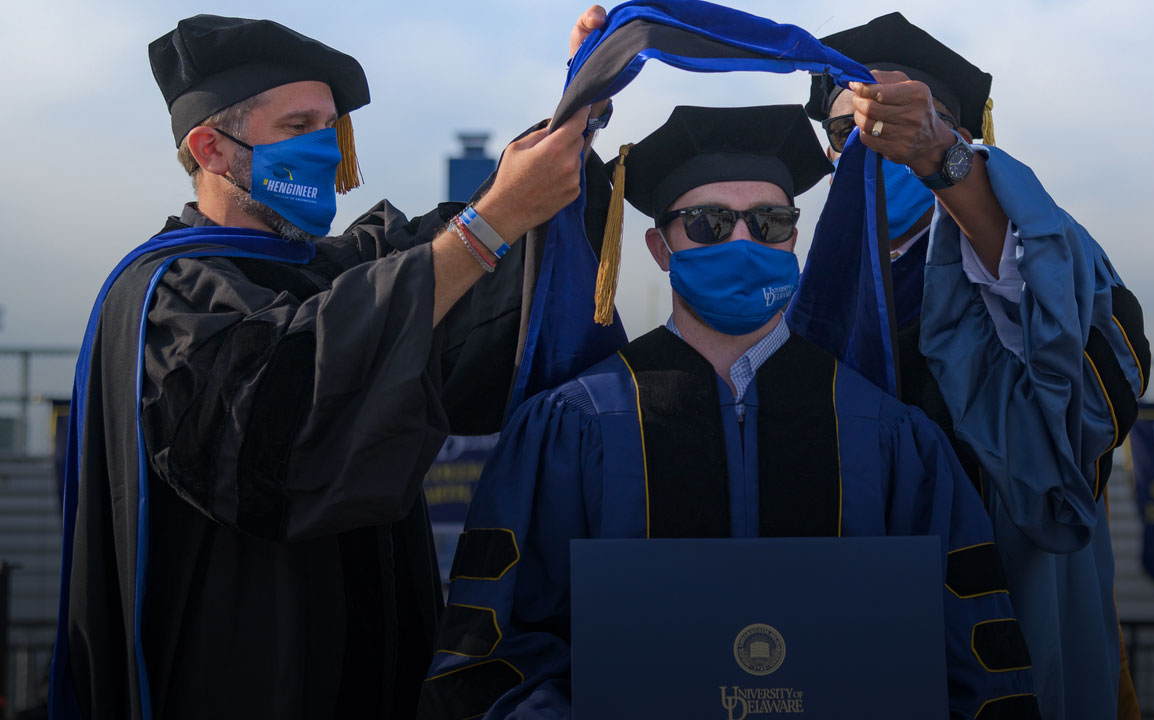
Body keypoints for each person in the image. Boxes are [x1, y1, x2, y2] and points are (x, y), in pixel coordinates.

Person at [50, 8, 610, 719]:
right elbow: (277, 428)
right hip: (239, 685)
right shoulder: (169, 302)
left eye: (330, 128)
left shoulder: (335, 271)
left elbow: (452, 265)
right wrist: (489, 225)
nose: (323, 148)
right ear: (211, 148)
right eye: (296, 128)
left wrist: (573, 110)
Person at [419, 104, 1039, 720]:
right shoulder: (572, 426)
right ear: (661, 248)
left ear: (794, 237)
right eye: (710, 223)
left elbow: (974, 661)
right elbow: (498, 654)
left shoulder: (891, 435)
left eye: (770, 221)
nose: (744, 240)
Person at [799, 13, 1151, 720]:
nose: (875, 144)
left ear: (961, 134)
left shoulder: (1031, 256)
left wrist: (944, 167)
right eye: (851, 131)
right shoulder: (805, 309)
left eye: (905, 119)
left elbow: (1081, 397)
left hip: (1006, 624)